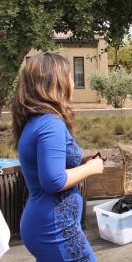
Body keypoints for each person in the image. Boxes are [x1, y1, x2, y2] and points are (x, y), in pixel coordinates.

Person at [11, 53, 104, 262]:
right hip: (54, 228)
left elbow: (47, 167)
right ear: (57, 82)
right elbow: (53, 181)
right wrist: (93, 167)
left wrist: (79, 163)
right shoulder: (50, 123)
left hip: (45, 225)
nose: (72, 81)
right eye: (69, 75)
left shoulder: (36, 121)